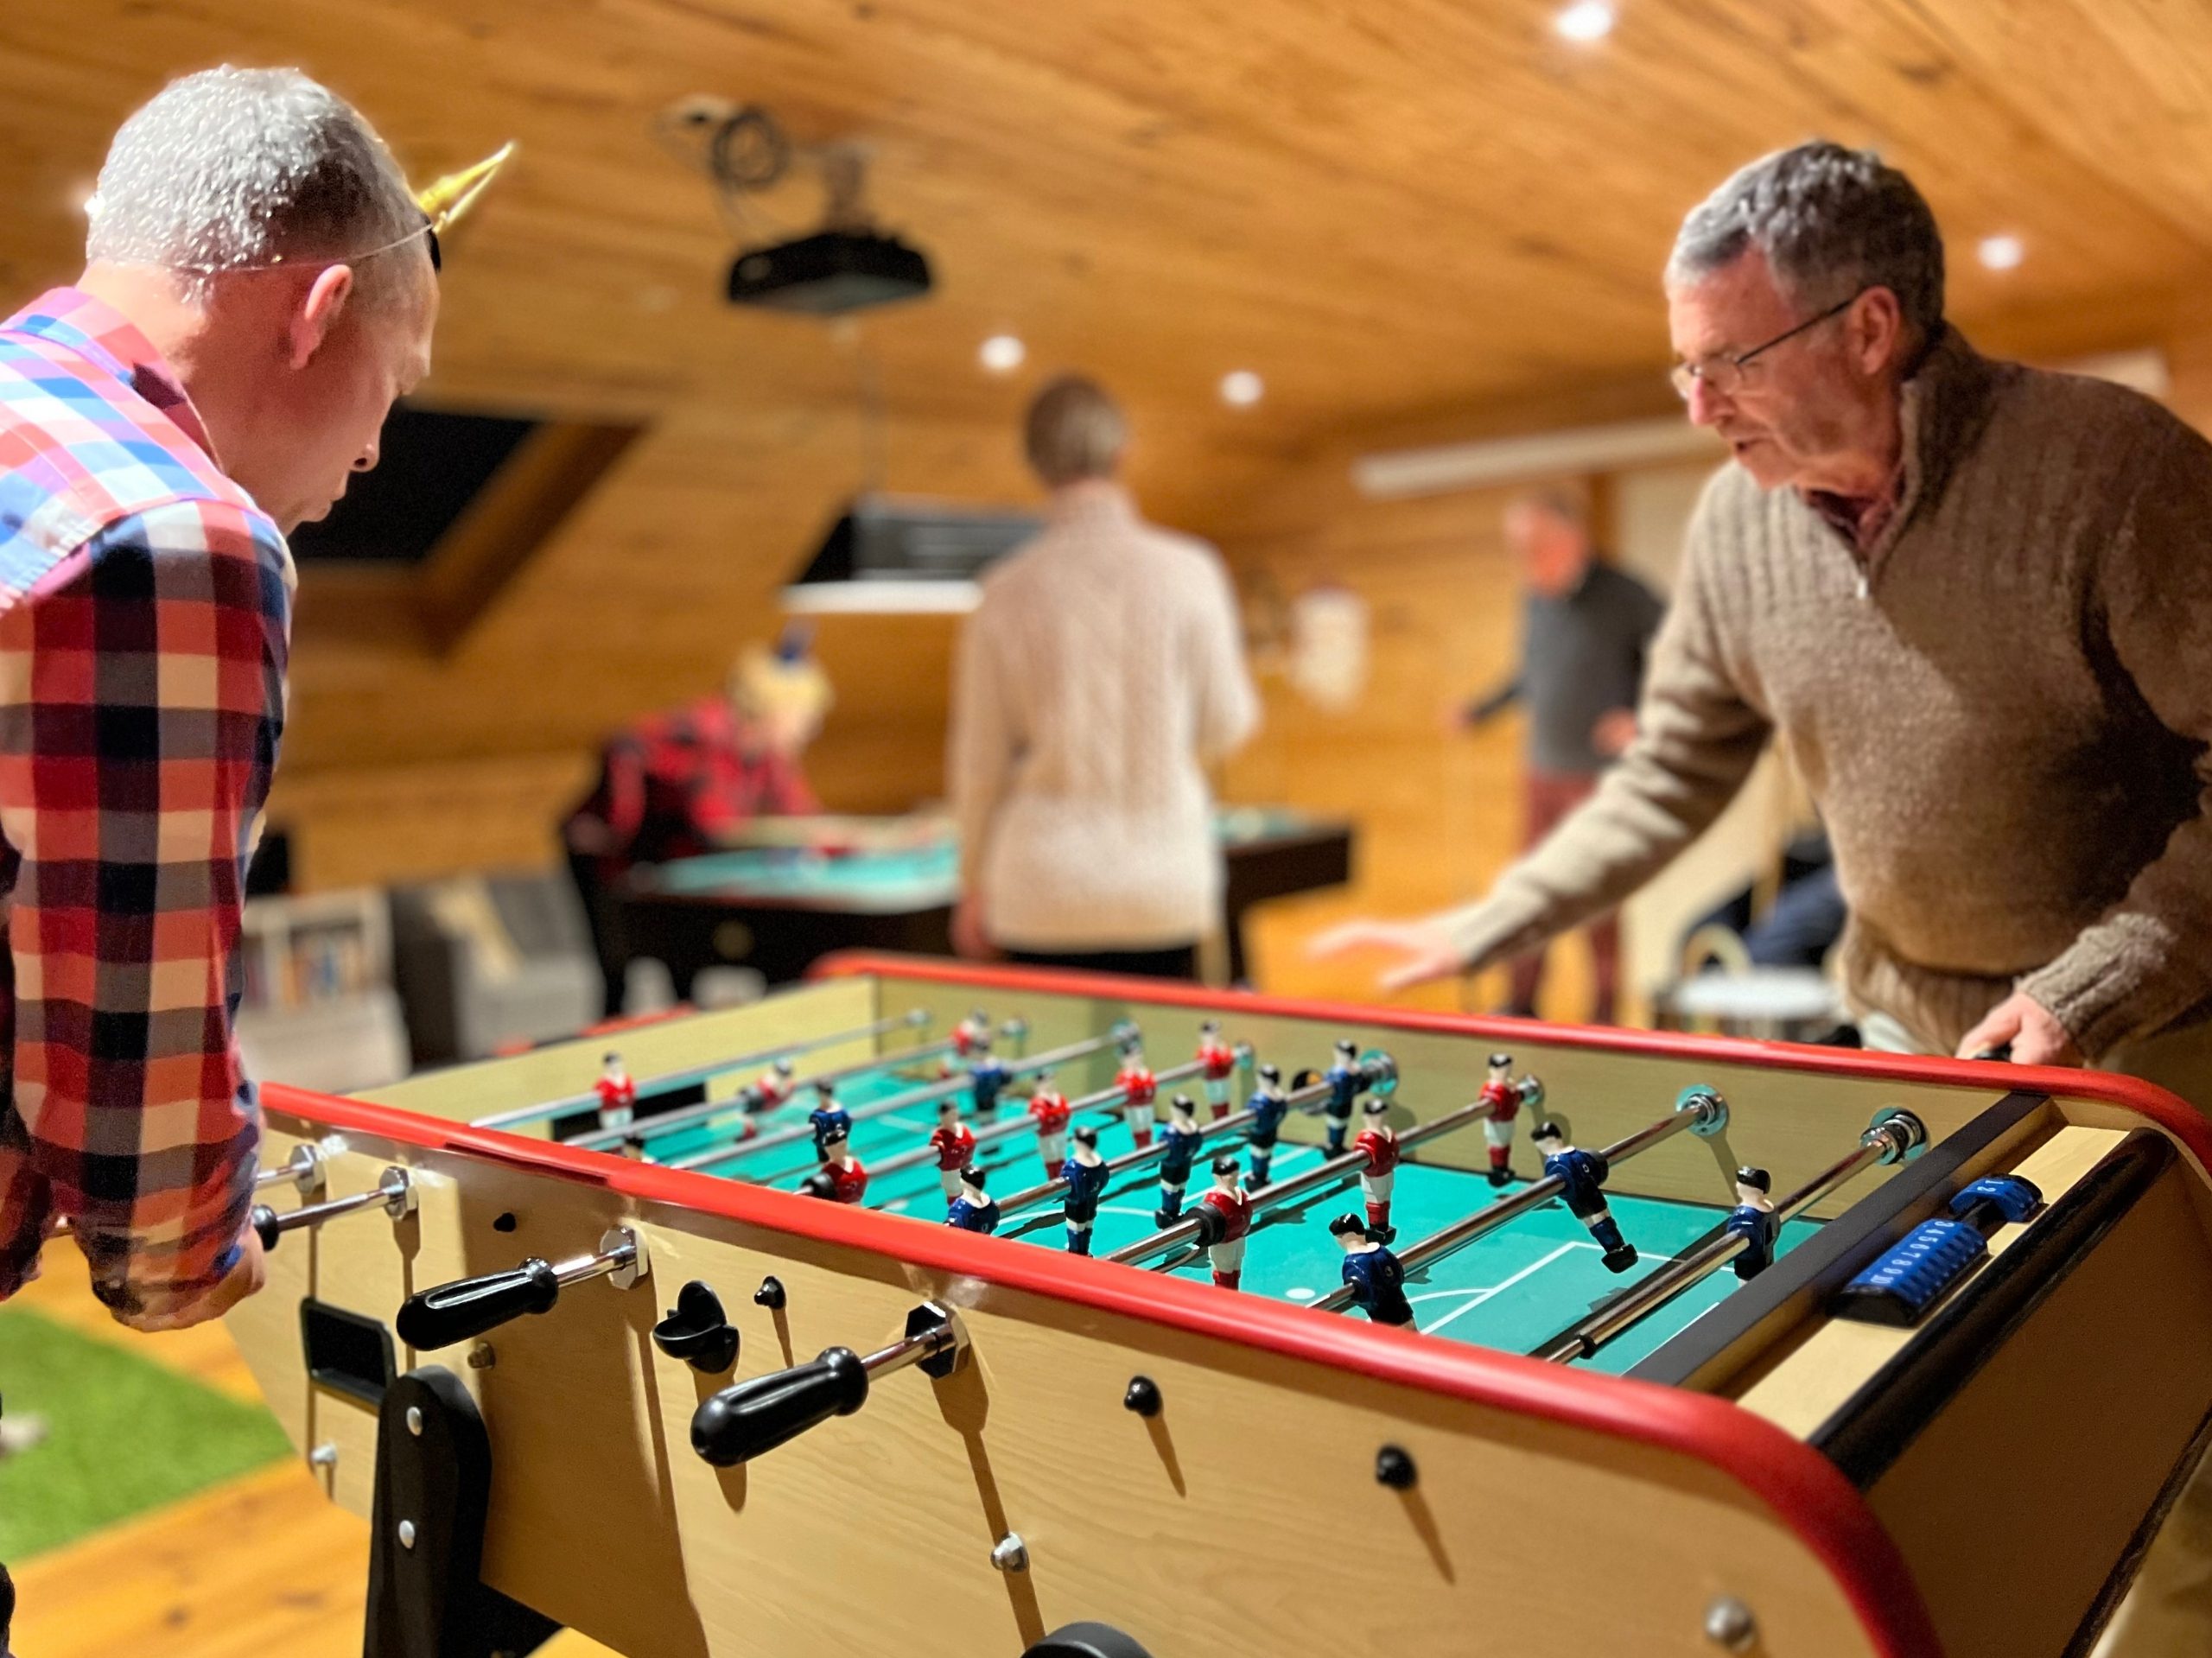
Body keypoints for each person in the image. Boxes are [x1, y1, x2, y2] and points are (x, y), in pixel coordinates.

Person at [1315, 139, 2212, 1654]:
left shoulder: (2113, 471)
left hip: (2148, 1043)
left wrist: (2102, 971)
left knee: (2170, 1440)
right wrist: (1490, 921)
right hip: (1904, 1029)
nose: (1694, 404)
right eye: (1682, 367)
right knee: (1924, 1412)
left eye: (1725, 361)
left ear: (1870, 327)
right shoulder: (1737, 525)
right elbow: (1670, 768)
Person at [0, 68, 439, 1336]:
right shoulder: (173, 530)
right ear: (319, 310)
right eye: (394, 388)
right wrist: (192, 1252)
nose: (369, 454)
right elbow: (139, 1067)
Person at [948, 375, 1259, 979]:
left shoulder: (1003, 592)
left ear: (1034, 463)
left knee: (1047, 1075)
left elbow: (979, 761)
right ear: (1123, 453)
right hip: (1162, 886)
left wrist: (971, 883)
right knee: (1167, 1073)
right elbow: (1229, 723)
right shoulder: (1190, 570)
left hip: (1042, 890)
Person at [1455, 492, 1662, 1023]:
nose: (1526, 560)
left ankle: (1605, 1016)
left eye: (1535, 547)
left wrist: (1639, 712)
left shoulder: (1625, 594)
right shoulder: (1534, 599)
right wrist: (1479, 712)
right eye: (1518, 549)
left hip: (1601, 780)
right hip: (1542, 771)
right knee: (1529, 893)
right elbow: (1532, 676)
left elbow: (1681, 653)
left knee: (1599, 903)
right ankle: (1521, 1003)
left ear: (1571, 539)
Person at [563, 626, 833, 1013]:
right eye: (806, 716)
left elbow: (799, 816)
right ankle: (608, 1063)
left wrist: (855, 840)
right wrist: (621, 825)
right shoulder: (704, 731)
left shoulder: (769, 752)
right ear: (774, 710)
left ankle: (689, 1056)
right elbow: (624, 745)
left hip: (670, 858)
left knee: (686, 971)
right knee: (618, 973)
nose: (812, 727)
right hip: (605, 853)